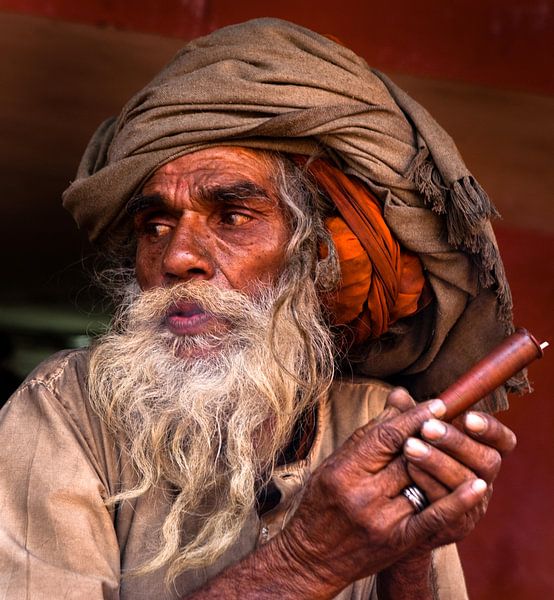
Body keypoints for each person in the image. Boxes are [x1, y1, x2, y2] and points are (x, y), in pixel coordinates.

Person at [0, 18, 522, 600]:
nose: (178, 258)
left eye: (232, 217)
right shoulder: (65, 410)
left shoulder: (379, 420)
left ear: (311, 257)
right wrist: (306, 562)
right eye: (156, 224)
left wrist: (408, 552)